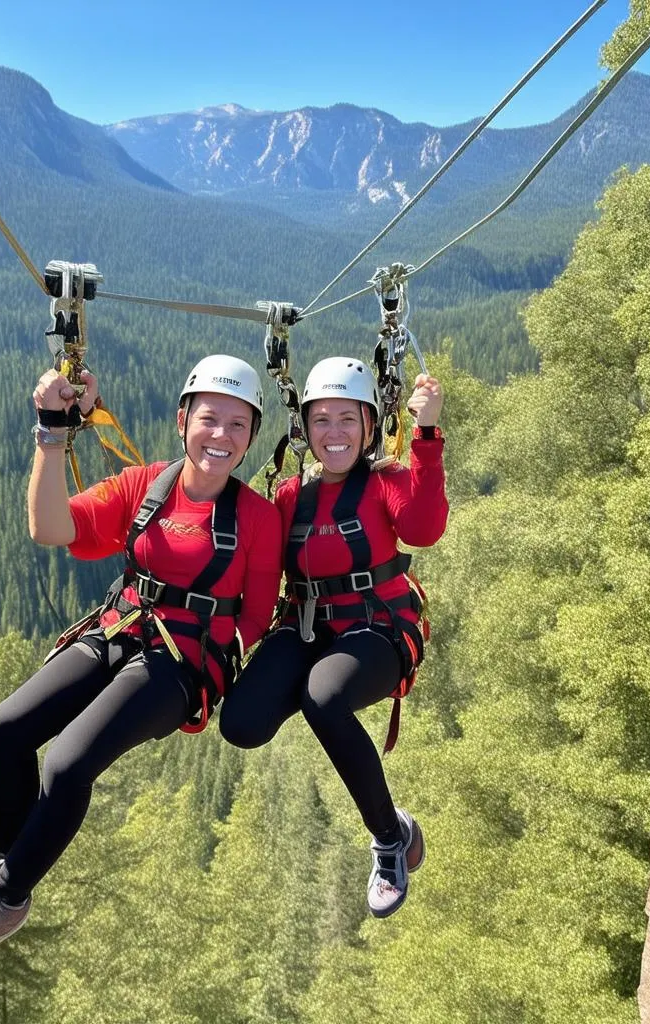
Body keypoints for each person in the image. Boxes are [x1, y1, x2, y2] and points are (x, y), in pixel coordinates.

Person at [0, 355, 282, 953]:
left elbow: (256, 618)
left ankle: (2, 898)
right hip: (119, 627)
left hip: (183, 663)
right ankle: (4, 862)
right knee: (5, 729)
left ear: (252, 437)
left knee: (67, 762)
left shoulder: (259, 518)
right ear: (182, 420)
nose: (223, 436)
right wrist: (51, 436)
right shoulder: (146, 486)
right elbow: (50, 527)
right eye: (211, 419)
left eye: (240, 425)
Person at [219, 356, 447, 919]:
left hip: (380, 628)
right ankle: (398, 827)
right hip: (308, 625)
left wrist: (426, 434)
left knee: (323, 696)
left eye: (347, 419)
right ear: (305, 430)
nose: (335, 433)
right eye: (321, 421)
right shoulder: (291, 496)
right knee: (241, 724)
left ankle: (388, 839)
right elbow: (257, 568)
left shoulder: (386, 482)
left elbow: (423, 528)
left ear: (370, 426)